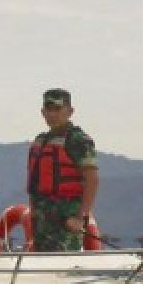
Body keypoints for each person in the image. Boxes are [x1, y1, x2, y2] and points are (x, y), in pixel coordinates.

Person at [26, 88, 99, 252]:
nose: (52, 114)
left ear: (70, 111)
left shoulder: (78, 140)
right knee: (42, 269)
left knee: (61, 268)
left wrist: (80, 217)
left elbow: (92, 180)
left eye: (58, 109)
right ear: (43, 112)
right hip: (42, 222)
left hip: (67, 221)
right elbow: (34, 183)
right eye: (49, 109)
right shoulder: (40, 141)